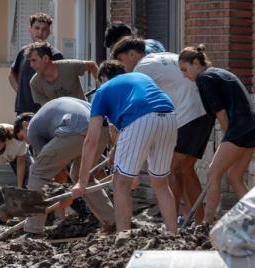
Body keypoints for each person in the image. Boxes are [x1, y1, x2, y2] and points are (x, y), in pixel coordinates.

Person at [113, 36, 214, 224]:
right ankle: (197, 222)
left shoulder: (141, 68)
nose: (121, 67)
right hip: (202, 112)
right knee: (184, 169)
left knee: (168, 172)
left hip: (188, 114)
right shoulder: (160, 57)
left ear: (132, 54)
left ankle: (175, 223)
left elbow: (135, 103)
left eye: (121, 60)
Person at [71, 60, 178, 234]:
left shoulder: (103, 91)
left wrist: (81, 183)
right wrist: (117, 154)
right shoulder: (140, 77)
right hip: (169, 117)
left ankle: (123, 238)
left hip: (139, 119)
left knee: (120, 183)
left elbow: (91, 140)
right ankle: (174, 235)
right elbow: (129, 130)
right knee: (161, 183)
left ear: (104, 78)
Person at [178, 44, 255, 224]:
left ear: (196, 63)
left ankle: (207, 223)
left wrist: (227, 138)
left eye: (185, 70)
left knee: (213, 174)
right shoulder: (218, 73)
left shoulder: (204, 79)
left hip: (240, 129)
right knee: (234, 176)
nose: (185, 76)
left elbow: (221, 114)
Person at [14, 97, 115, 233]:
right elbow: (59, 171)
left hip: (74, 129)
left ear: (25, 124)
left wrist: (61, 196)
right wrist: (62, 193)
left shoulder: (32, 128)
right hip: (101, 130)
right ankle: (113, 221)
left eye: (21, 138)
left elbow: (51, 172)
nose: (26, 143)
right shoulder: (50, 116)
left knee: (37, 173)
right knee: (83, 176)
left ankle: (33, 229)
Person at [9, 13, 64, 115]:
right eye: (37, 28)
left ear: (49, 32)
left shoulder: (55, 55)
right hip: (23, 111)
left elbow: (62, 85)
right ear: (30, 29)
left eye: (44, 29)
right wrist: (19, 91)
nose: (40, 32)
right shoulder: (23, 52)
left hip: (45, 112)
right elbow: (12, 74)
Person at [27, 41, 98, 105]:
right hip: (59, 117)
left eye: (34, 60)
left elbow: (92, 66)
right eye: (30, 61)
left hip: (81, 112)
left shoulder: (69, 66)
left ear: (45, 58)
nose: (31, 65)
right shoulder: (35, 83)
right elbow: (46, 108)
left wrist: (101, 89)